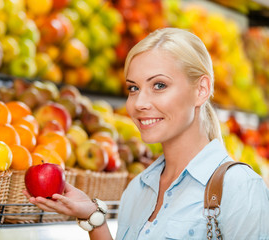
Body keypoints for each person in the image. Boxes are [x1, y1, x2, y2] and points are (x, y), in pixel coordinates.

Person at [24, 28, 269, 239]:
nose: (139, 102)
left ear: (201, 90)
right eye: (133, 88)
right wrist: (92, 216)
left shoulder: (240, 188)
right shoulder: (137, 189)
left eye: (159, 85)